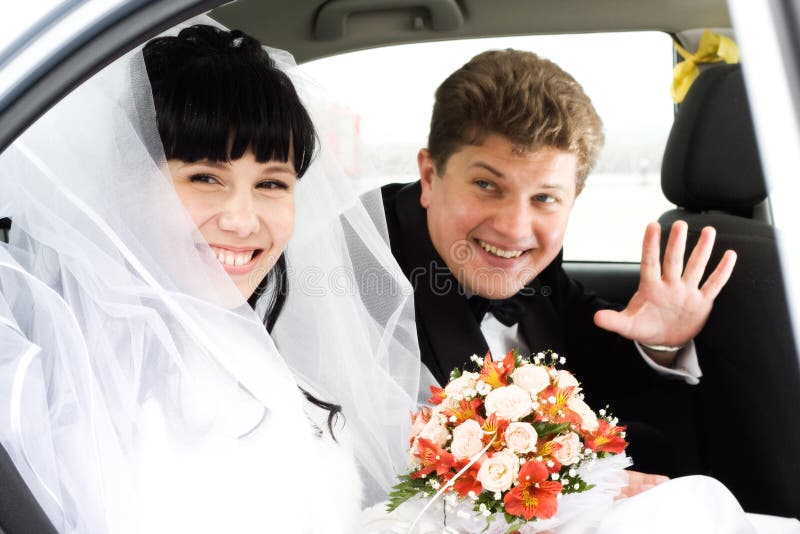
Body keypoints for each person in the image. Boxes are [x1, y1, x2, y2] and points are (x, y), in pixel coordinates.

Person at [0, 21, 419, 533]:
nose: (242, 220)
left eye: (270, 183)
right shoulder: (57, 387)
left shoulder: (283, 379)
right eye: (204, 177)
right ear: (124, 183)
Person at [381, 48, 737, 477]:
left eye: (545, 198)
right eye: (486, 185)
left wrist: (661, 345)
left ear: (573, 199)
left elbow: (595, 348)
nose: (514, 228)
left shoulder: (538, 266)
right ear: (430, 178)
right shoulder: (356, 278)